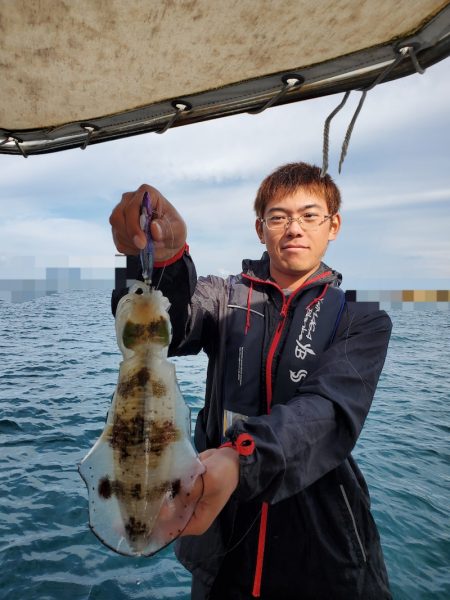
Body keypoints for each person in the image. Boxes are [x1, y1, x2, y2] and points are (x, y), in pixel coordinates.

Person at [109, 162, 392, 599]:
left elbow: (328, 413)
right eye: (278, 217)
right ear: (260, 229)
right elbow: (165, 325)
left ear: (333, 225)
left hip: (325, 553)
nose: (294, 228)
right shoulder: (222, 297)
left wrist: (241, 457)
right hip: (220, 547)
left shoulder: (363, 318)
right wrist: (158, 255)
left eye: (310, 215)